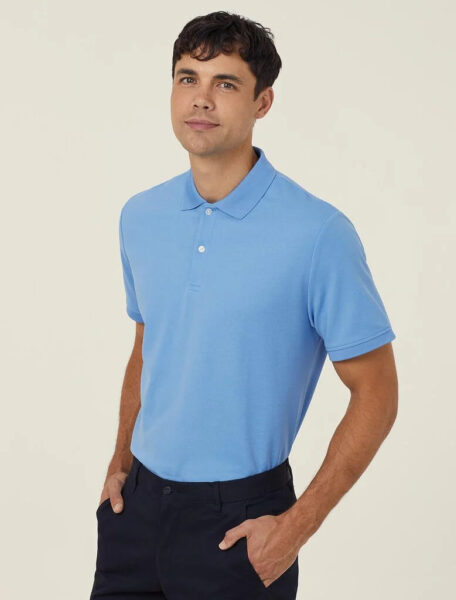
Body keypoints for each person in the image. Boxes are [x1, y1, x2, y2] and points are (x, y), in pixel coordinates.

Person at [90, 10, 398, 600]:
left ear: (263, 102)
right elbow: (148, 346)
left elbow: (377, 393)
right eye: (187, 78)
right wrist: (119, 462)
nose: (201, 99)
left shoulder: (318, 234)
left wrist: (295, 528)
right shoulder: (141, 216)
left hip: (241, 522)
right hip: (136, 511)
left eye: (225, 83)